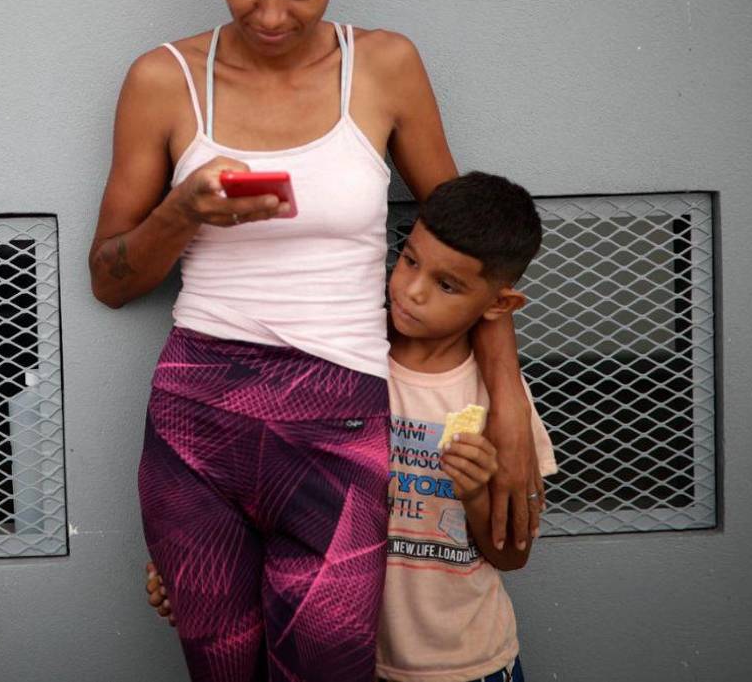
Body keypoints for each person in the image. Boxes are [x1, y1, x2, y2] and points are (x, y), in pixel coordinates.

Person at [89, 0, 542, 682]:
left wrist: (506, 400)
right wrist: (183, 209)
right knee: (221, 668)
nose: (268, 14)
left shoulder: (386, 67)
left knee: (326, 666)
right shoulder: (164, 80)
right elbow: (111, 280)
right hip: (197, 414)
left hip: (339, 412)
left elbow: (471, 250)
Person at [147, 172, 558, 682]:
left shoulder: (499, 407)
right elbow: (263, 500)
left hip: (465, 665)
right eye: (409, 260)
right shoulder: (345, 365)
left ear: (499, 305)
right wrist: (202, 566)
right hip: (339, 659)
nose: (412, 291)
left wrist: (476, 494)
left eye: (446, 285)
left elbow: (511, 556)